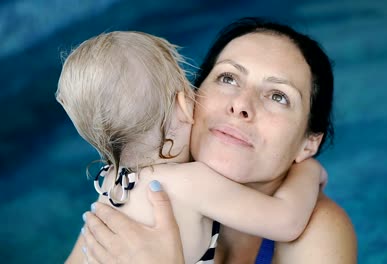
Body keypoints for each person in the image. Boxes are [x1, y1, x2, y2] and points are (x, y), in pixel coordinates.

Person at [81, 17, 357, 264]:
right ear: (190, 98)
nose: (241, 105)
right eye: (228, 78)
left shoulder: (320, 231)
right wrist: (308, 171)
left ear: (308, 144)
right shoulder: (136, 194)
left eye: (278, 96)